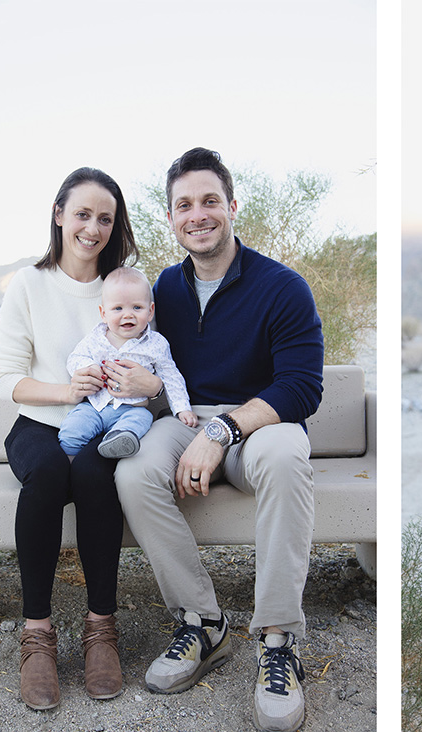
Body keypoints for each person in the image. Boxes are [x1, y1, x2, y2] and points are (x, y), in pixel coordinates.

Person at [115, 147, 323, 732]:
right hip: (185, 425)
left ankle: (278, 640)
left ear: (231, 206)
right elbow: (158, 372)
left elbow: (302, 387)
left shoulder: (282, 287)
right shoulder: (162, 290)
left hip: (259, 427)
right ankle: (203, 624)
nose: (198, 214)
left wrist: (224, 428)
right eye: (184, 205)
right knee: (132, 470)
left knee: (286, 458)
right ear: (171, 217)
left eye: (210, 201)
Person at [0, 167, 159, 710]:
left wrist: (150, 385)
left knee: (93, 471)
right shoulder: (29, 284)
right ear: (59, 214)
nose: (93, 227)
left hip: (106, 427)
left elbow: (162, 365)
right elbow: (5, 378)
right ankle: (37, 634)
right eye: (82, 214)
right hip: (39, 424)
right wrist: (66, 393)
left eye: (105, 218)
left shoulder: (125, 289)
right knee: (46, 472)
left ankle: (100, 628)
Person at [58, 266, 197, 459]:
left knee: (142, 419)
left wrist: (182, 408)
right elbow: (74, 358)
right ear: (104, 313)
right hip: (95, 406)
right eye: (118, 308)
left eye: (137, 307)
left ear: (150, 311)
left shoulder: (156, 344)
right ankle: (69, 457)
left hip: (132, 410)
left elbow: (171, 376)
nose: (128, 315)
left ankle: (119, 442)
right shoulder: (95, 338)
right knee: (73, 427)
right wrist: (87, 368)